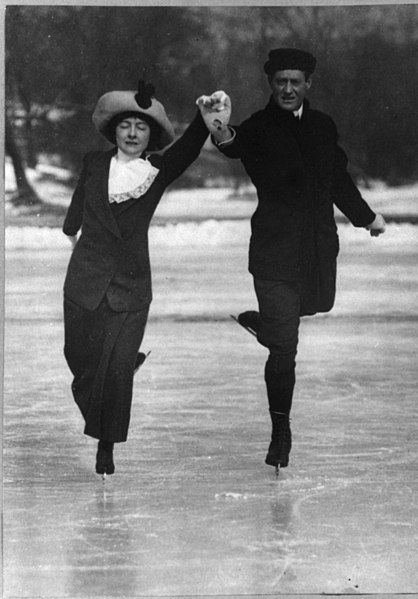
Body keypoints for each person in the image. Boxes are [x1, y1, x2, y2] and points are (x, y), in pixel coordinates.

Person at [202, 48, 386, 473]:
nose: (287, 88)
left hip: (318, 248)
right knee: (286, 349)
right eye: (280, 81)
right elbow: (234, 145)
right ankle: (280, 430)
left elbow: (338, 179)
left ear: (308, 84)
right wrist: (219, 130)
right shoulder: (259, 126)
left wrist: (366, 217)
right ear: (272, 84)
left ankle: (268, 323)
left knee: (320, 305)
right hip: (274, 251)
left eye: (295, 81)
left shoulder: (322, 126)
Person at [63, 80, 229, 477]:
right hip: (85, 281)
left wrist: (203, 122)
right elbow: (78, 202)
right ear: (113, 130)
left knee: (116, 373)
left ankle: (106, 448)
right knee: (80, 360)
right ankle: (105, 381)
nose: (133, 133)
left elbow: (187, 151)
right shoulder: (93, 163)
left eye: (141, 127)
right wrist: (70, 228)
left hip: (131, 285)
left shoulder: (155, 171)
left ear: (151, 134)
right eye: (126, 126)